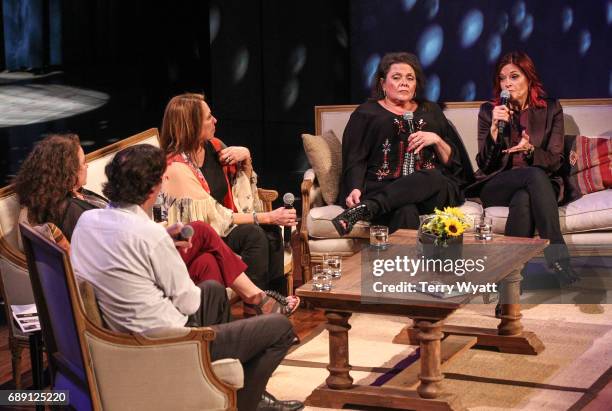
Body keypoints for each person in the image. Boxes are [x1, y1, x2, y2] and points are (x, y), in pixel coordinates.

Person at [70, 144, 303, 411]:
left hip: (122, 332)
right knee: (280, 329)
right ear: (152, 188)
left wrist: (163, 242)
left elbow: (126, 249)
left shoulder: (89, 221)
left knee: (214, 289)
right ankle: (243, 403)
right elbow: (189, 303)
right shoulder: (149, 235)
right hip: (166, 344)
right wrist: (164, 247)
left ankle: (220, 384)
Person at [14, 134, 297, 317]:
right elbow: (111, 243)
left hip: (140, 247)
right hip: (136, 265)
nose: (86, 167)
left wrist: (163, 234)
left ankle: (214, 351)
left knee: (208, 263)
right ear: (65, 171)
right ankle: (256, 299)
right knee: (201, 230)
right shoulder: (73, 211)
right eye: (81, 163)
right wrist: (157, 237)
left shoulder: (78, 196)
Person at [159, 93, 298, 303]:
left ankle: (277, 297)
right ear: (192, 125)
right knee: (254, 234)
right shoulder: (176, 166)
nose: (215, 121)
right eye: (208, 118)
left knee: (270, 233)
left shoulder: (215, 147)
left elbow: (244, 200)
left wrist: (246, 158)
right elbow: (214, 216)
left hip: (224, 226)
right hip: (200, 236)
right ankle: (256, 305)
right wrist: (267, 217)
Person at [467, 50, 578, 286]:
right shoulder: (489, 111)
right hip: (498, 183)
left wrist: (530, 150)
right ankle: (558, 257)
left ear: (529, 78)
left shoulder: (550, 109)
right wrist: (495, 131)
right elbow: (485, 165)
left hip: (538, 186)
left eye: (514, 76)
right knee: (532, 178)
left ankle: (506, 281)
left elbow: (556, 161)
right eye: (502, 78)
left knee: (524, 198)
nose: (507, 83)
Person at [334, 52, 473, 235]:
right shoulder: (366, 113)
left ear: (416, 85)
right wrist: (354, 188)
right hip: (384, 186)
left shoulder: (431, 111)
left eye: (410, 78)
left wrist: (436, 139)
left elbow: (453, 162)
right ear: (383, 84)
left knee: (434, 176)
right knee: (405, 210)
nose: (404, 82)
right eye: (396, 77)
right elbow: (355, 158)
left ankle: (369, 208)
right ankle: (409, 264)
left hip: (431, 190)